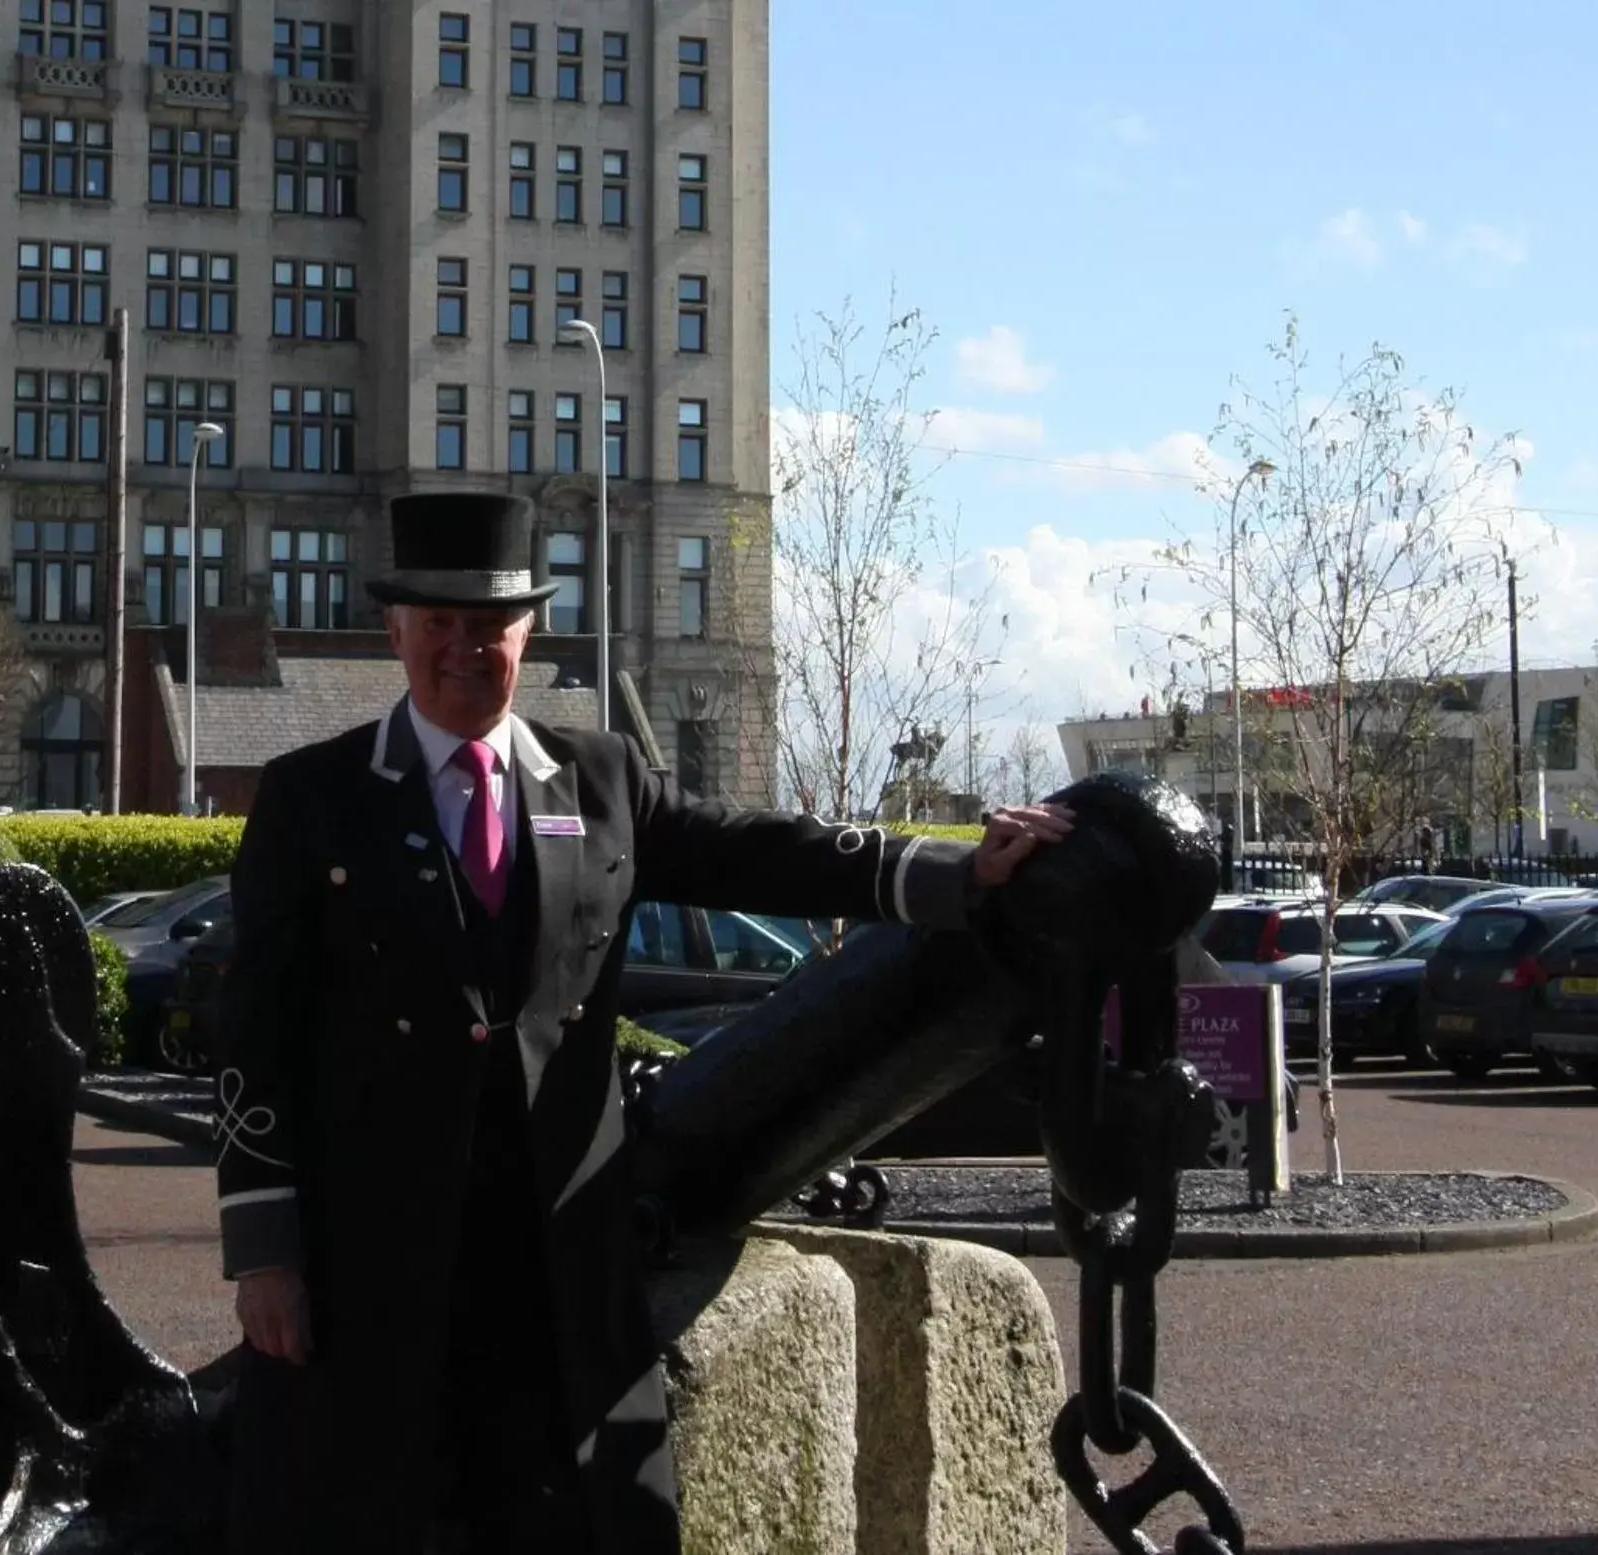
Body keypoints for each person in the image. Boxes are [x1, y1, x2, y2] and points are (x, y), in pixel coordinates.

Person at [213, 492, 1072, 1555]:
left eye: (489, 625)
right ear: (395, 631)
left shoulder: (599, 778)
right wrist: (265, 1255)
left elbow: (763, 850)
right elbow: (258, 1028)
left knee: (579, 1525)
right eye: (437, 623)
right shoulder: (314, 796)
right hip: (371, 1262)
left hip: (561, 1256)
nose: (464, 647)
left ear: (527, 631)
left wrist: (954, 871)